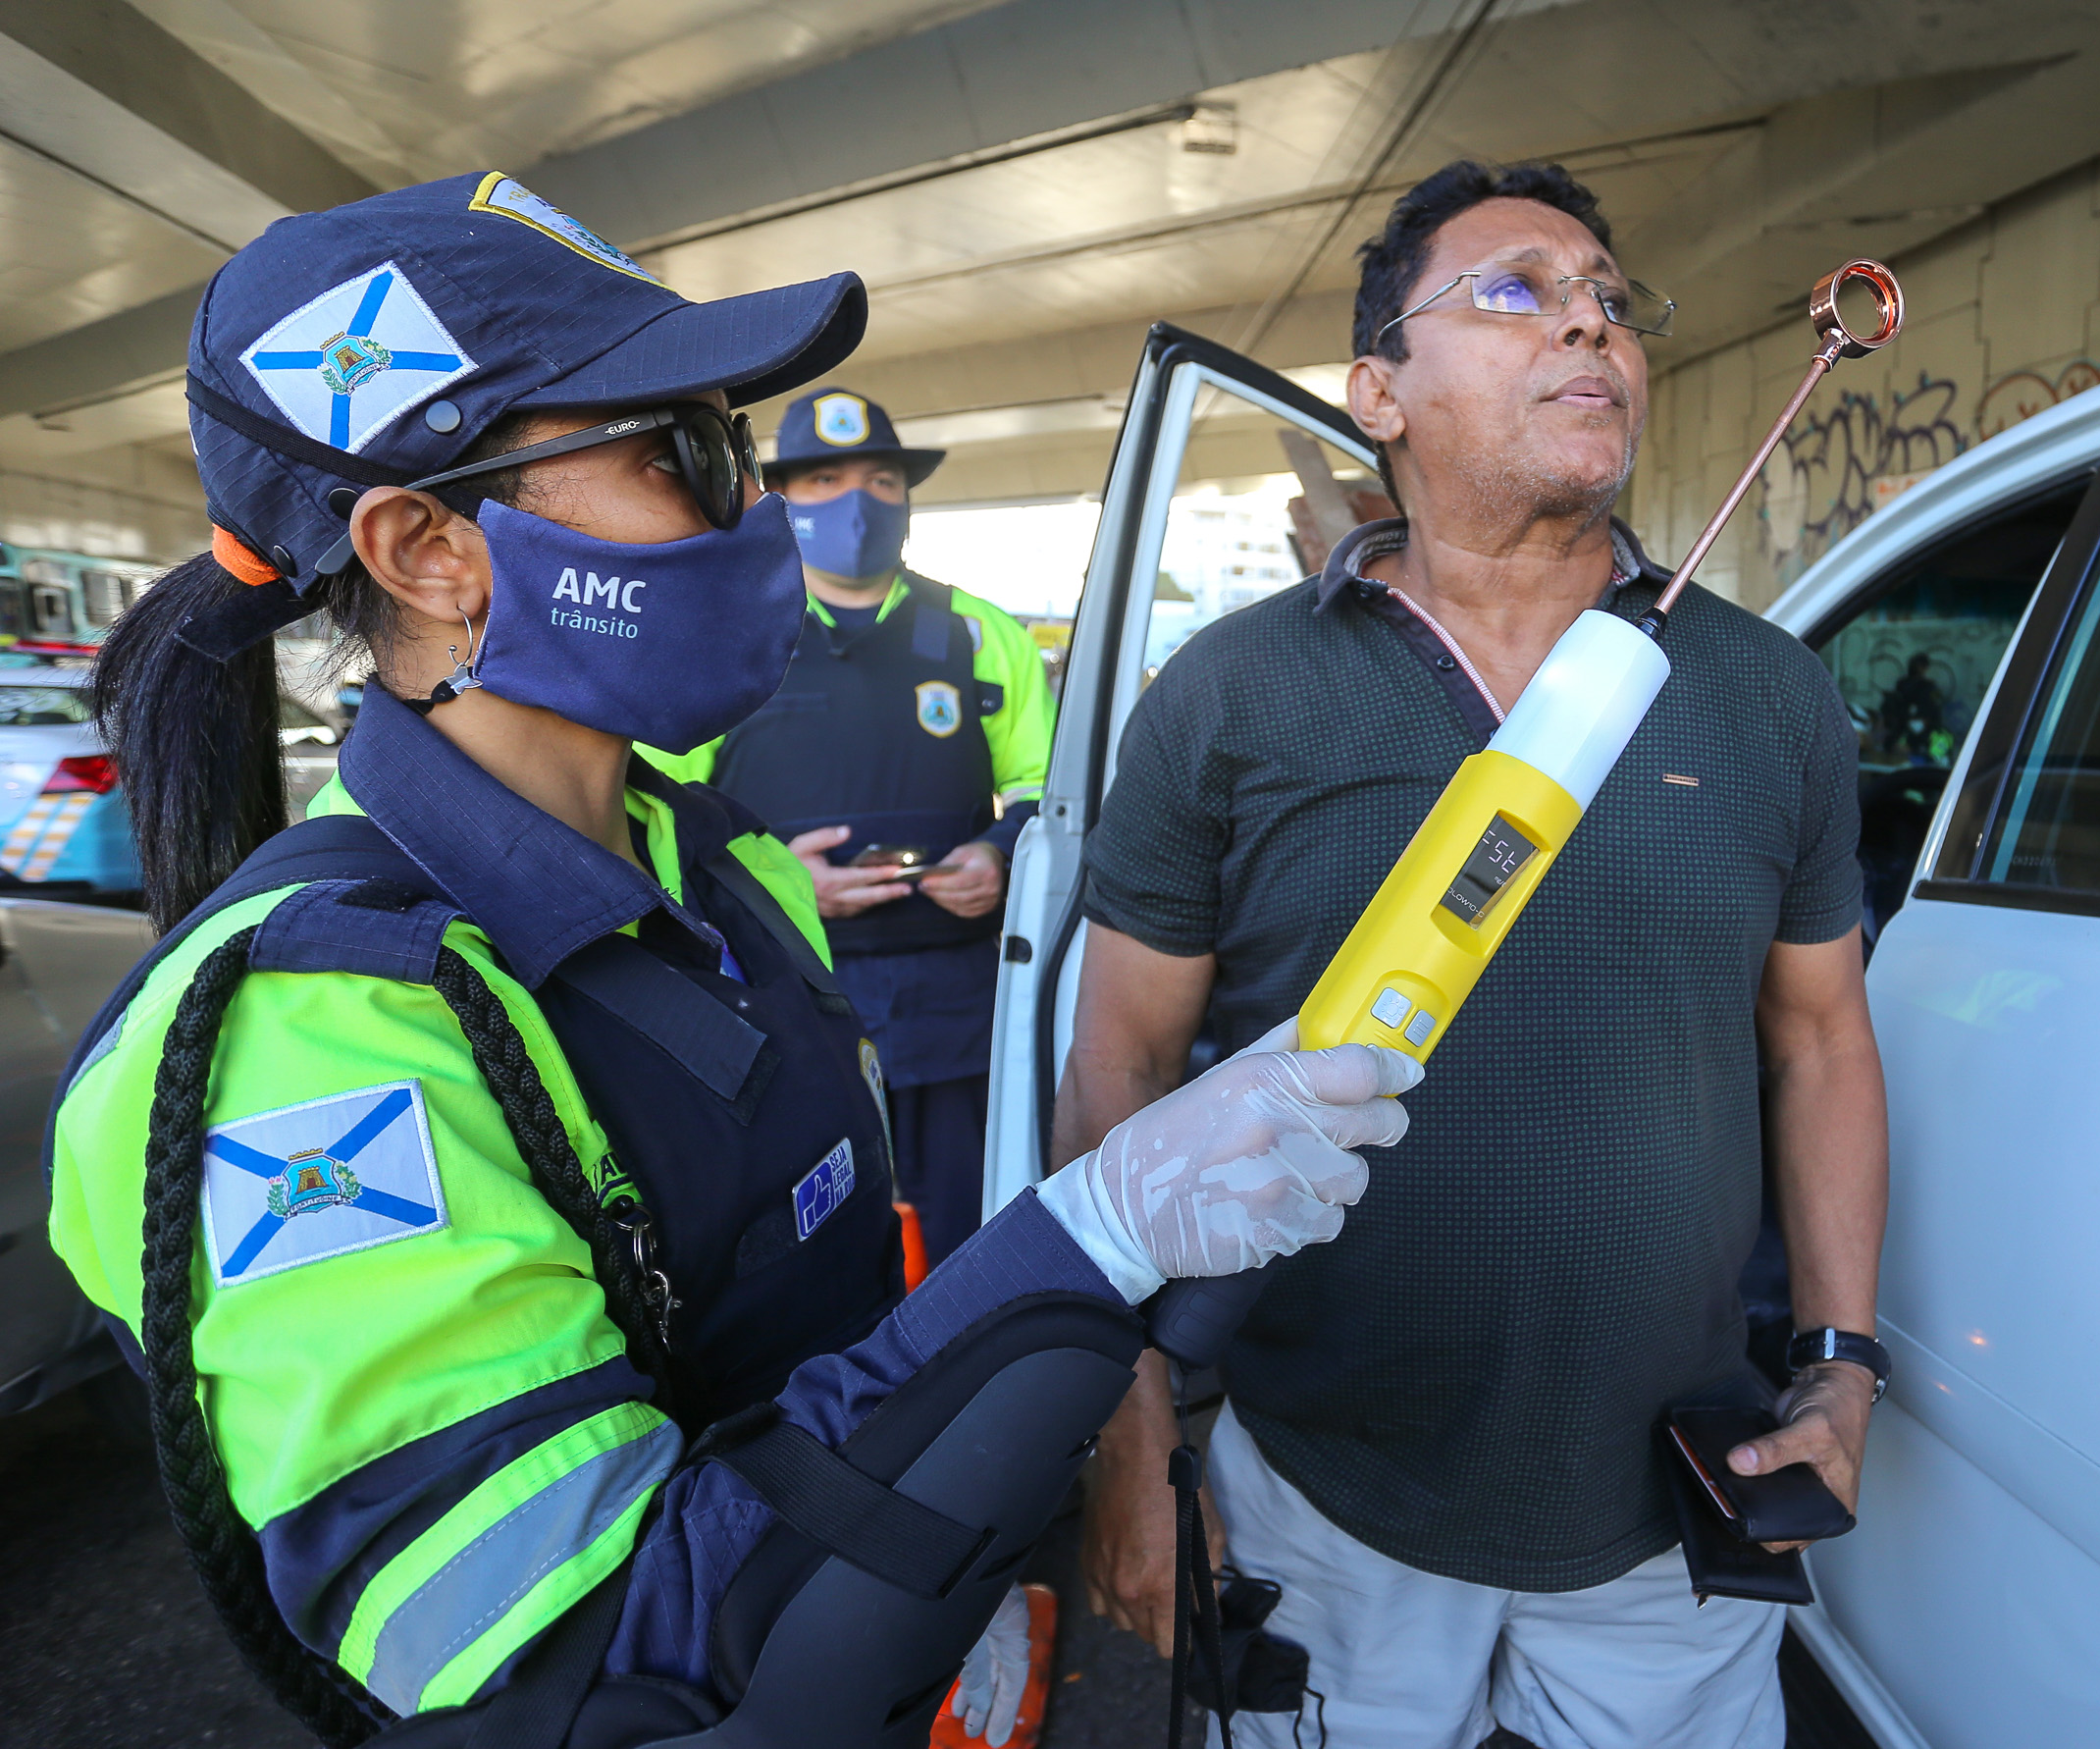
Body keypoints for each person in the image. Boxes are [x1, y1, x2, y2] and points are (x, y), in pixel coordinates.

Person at [47, 173, 1418, 1748]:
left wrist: (933, 1581)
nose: (761, 515)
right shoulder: (314, 1033)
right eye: (682, 457)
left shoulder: (722, 857)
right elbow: (596, 1672)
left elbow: (815, 1349)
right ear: (428, 550)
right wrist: (1080, 1247)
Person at [1067, 160, 1891, 1747]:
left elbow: (1823, 1042)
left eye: (1608, 297)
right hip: (1323, 1482)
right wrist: (1129, 1442)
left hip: (1674, 1494)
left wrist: (1842, 1363)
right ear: (1380, 391)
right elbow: (1121, 1067)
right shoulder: (1232, 699)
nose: (1590, 317)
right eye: (1514, 289)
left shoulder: (1766, 693)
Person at [640, 387, 1054, 1262]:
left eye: (879, 480)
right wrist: (784, 888)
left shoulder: (982, 636)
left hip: (958, 1008)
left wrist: (999, 853)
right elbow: (651, 817)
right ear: (780, 497)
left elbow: (1045, 789)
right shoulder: (726, 640)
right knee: (817, 1252)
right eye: (824, 480)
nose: (857, 503)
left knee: (970, 1240)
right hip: (789, 1004)